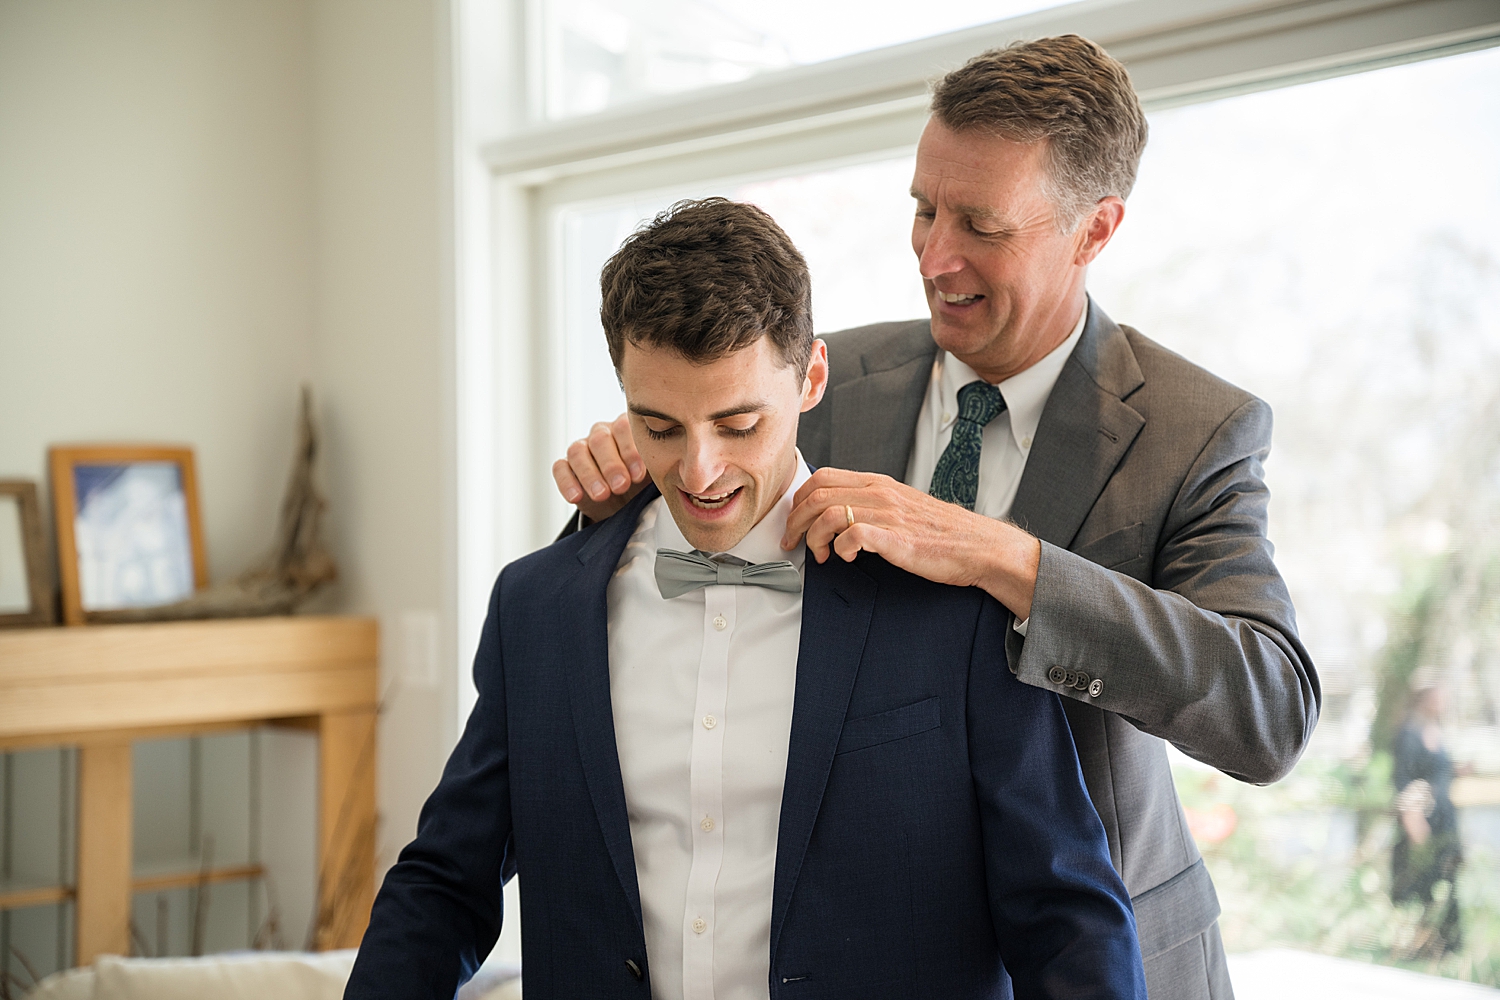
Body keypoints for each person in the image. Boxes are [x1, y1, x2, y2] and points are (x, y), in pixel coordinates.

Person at [553, 36, 1320, 1000]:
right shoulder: (817, 380)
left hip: (1101, 958)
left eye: (980, 225)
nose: (934, 255)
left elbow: (1271, 711)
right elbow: (689, 526)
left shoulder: (1197, 429)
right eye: (922, 209)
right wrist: (625, 479)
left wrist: (1009, 561)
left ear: (1096, 229)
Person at [345, 198, 1146, 1000]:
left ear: (812, 379)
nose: (699, 472)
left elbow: (1062, 913)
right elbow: (446, 881)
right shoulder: (539, 608)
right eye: (659, 427)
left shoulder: (946, 605)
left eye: (738, 425)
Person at [1391, 682, 1464, 955]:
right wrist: (1414, 820)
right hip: (1422, 818)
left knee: (1447, 876)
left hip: (1445, 817)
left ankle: (1446, 944)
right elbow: (1404, 780)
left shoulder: (1438, 732)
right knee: (1421, 881)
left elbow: (1438, 773)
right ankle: (1418, 945)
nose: (1440, 704)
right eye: (1435, 699)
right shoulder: (1408, 733)